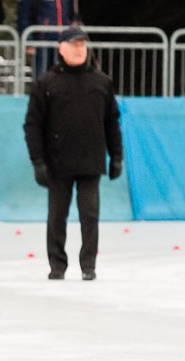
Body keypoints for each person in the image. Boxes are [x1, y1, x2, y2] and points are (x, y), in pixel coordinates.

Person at [24, 26, 123, 281]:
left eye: (82, 45)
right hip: (57, 162)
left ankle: (88, 265)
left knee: (90, 215)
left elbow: (112, 122)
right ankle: (57, 265)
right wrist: (38, 161)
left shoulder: (101, 82)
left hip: (91, 161)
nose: (79, 49)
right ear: (61, 48)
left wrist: (117, 156)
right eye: (74, 44)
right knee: (57, 217)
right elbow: (33, 125)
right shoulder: (46, 83)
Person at [16, 0, 77, 78]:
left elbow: (72, 13)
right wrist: (28, 40)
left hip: (63, 39)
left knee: (62, 75)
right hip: (41, 39)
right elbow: (24, 13)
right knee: (42, 76)